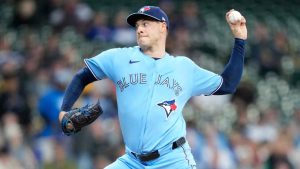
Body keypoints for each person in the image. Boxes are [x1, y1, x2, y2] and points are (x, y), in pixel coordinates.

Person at [59, 6, 247, 169]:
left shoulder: (183, 67)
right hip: (132, 161)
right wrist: (64, 111)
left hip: (172, 159)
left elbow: (227, 85)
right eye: (138, 25)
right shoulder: (119, 58)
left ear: (163, 27)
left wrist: (240, 41)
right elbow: (81, 77)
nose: (139, 29)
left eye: (146, 24)